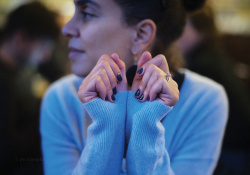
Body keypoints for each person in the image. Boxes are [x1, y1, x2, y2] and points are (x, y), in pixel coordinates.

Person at [40, 0, 228, 174]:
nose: (66, 29)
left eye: (87, 13)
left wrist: (146, 123)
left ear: (140, 35)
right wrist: (107, 123)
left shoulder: (204, 100)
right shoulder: (61, 98)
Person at [177, 7, 250, 174]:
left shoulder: (203, 65)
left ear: (201, 30)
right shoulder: (212, 54)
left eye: (183, 27)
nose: (177, 35)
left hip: (233, 152)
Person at [0, 2, 60, 174]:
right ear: (20, 38)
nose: (46, 55)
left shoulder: (18, 69)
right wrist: (48, 111)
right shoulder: (3, 82)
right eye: (43, 47)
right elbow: (6, 150)